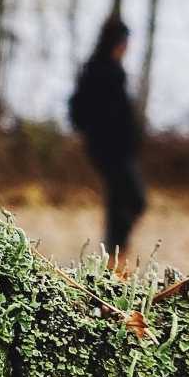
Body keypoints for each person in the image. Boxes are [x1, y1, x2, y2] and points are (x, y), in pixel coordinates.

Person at [69, 15, 146, 272]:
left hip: (120, 149)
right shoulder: (98, 69)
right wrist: (94, 134)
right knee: (130, 200)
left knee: (125, 202)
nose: (127, 47)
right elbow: (78, 109)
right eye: (125, 41)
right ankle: (115, 256)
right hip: (108, 150)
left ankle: (115, 254)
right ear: (116, 41)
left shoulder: (115, 69)